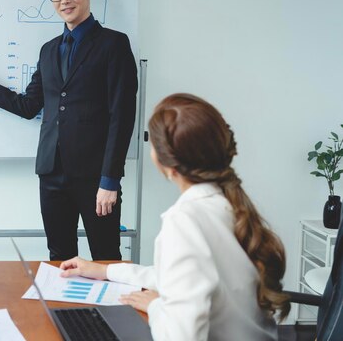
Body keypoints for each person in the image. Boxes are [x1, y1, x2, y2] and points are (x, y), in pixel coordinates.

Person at [60, 93, 290, 340]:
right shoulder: (227, 204)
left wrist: (157, 306)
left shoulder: (184, 221)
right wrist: (105, 271)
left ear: (165, 163)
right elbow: (178, 277)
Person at [0, 0, 138, 260]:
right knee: (59, 257)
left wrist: (110, 180)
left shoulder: (113, 45)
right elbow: (29, 105)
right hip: (51, 174)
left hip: (96, 178)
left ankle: (107, 310)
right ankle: (63, 310)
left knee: (106, 256)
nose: (64, 0)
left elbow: (122, 116)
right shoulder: (49, 49)